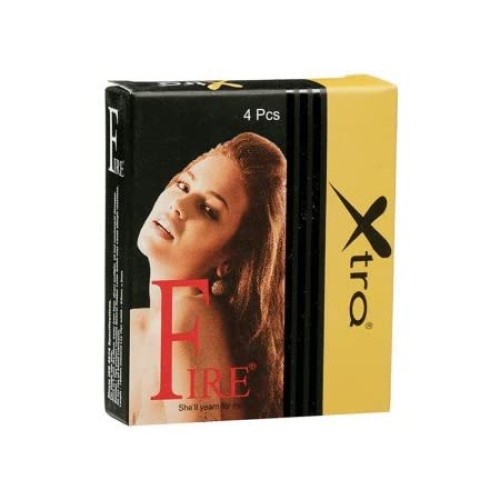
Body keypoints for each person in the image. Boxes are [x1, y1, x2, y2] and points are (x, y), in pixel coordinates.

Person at [130, 132, 286, 424]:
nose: (179, 204)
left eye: (208, 209)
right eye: (183, 185)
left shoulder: (184, 323)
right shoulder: (135, 328)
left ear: (228, 261)